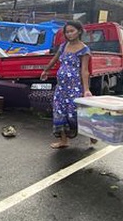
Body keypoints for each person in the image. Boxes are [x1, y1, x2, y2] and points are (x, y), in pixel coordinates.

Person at [40, 20, 93, 149]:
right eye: (67, 32)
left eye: (71, 31)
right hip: (61, 87)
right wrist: (46, 70)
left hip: (75, 87)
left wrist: (86, 89)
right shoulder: (63, 46)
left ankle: (92, 133)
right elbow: (54, 59)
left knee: (74, 114)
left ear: (79, 31)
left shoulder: (84, 49)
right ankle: (63, 141)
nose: (69, 34)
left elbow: (84, 70)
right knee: (59, 112)